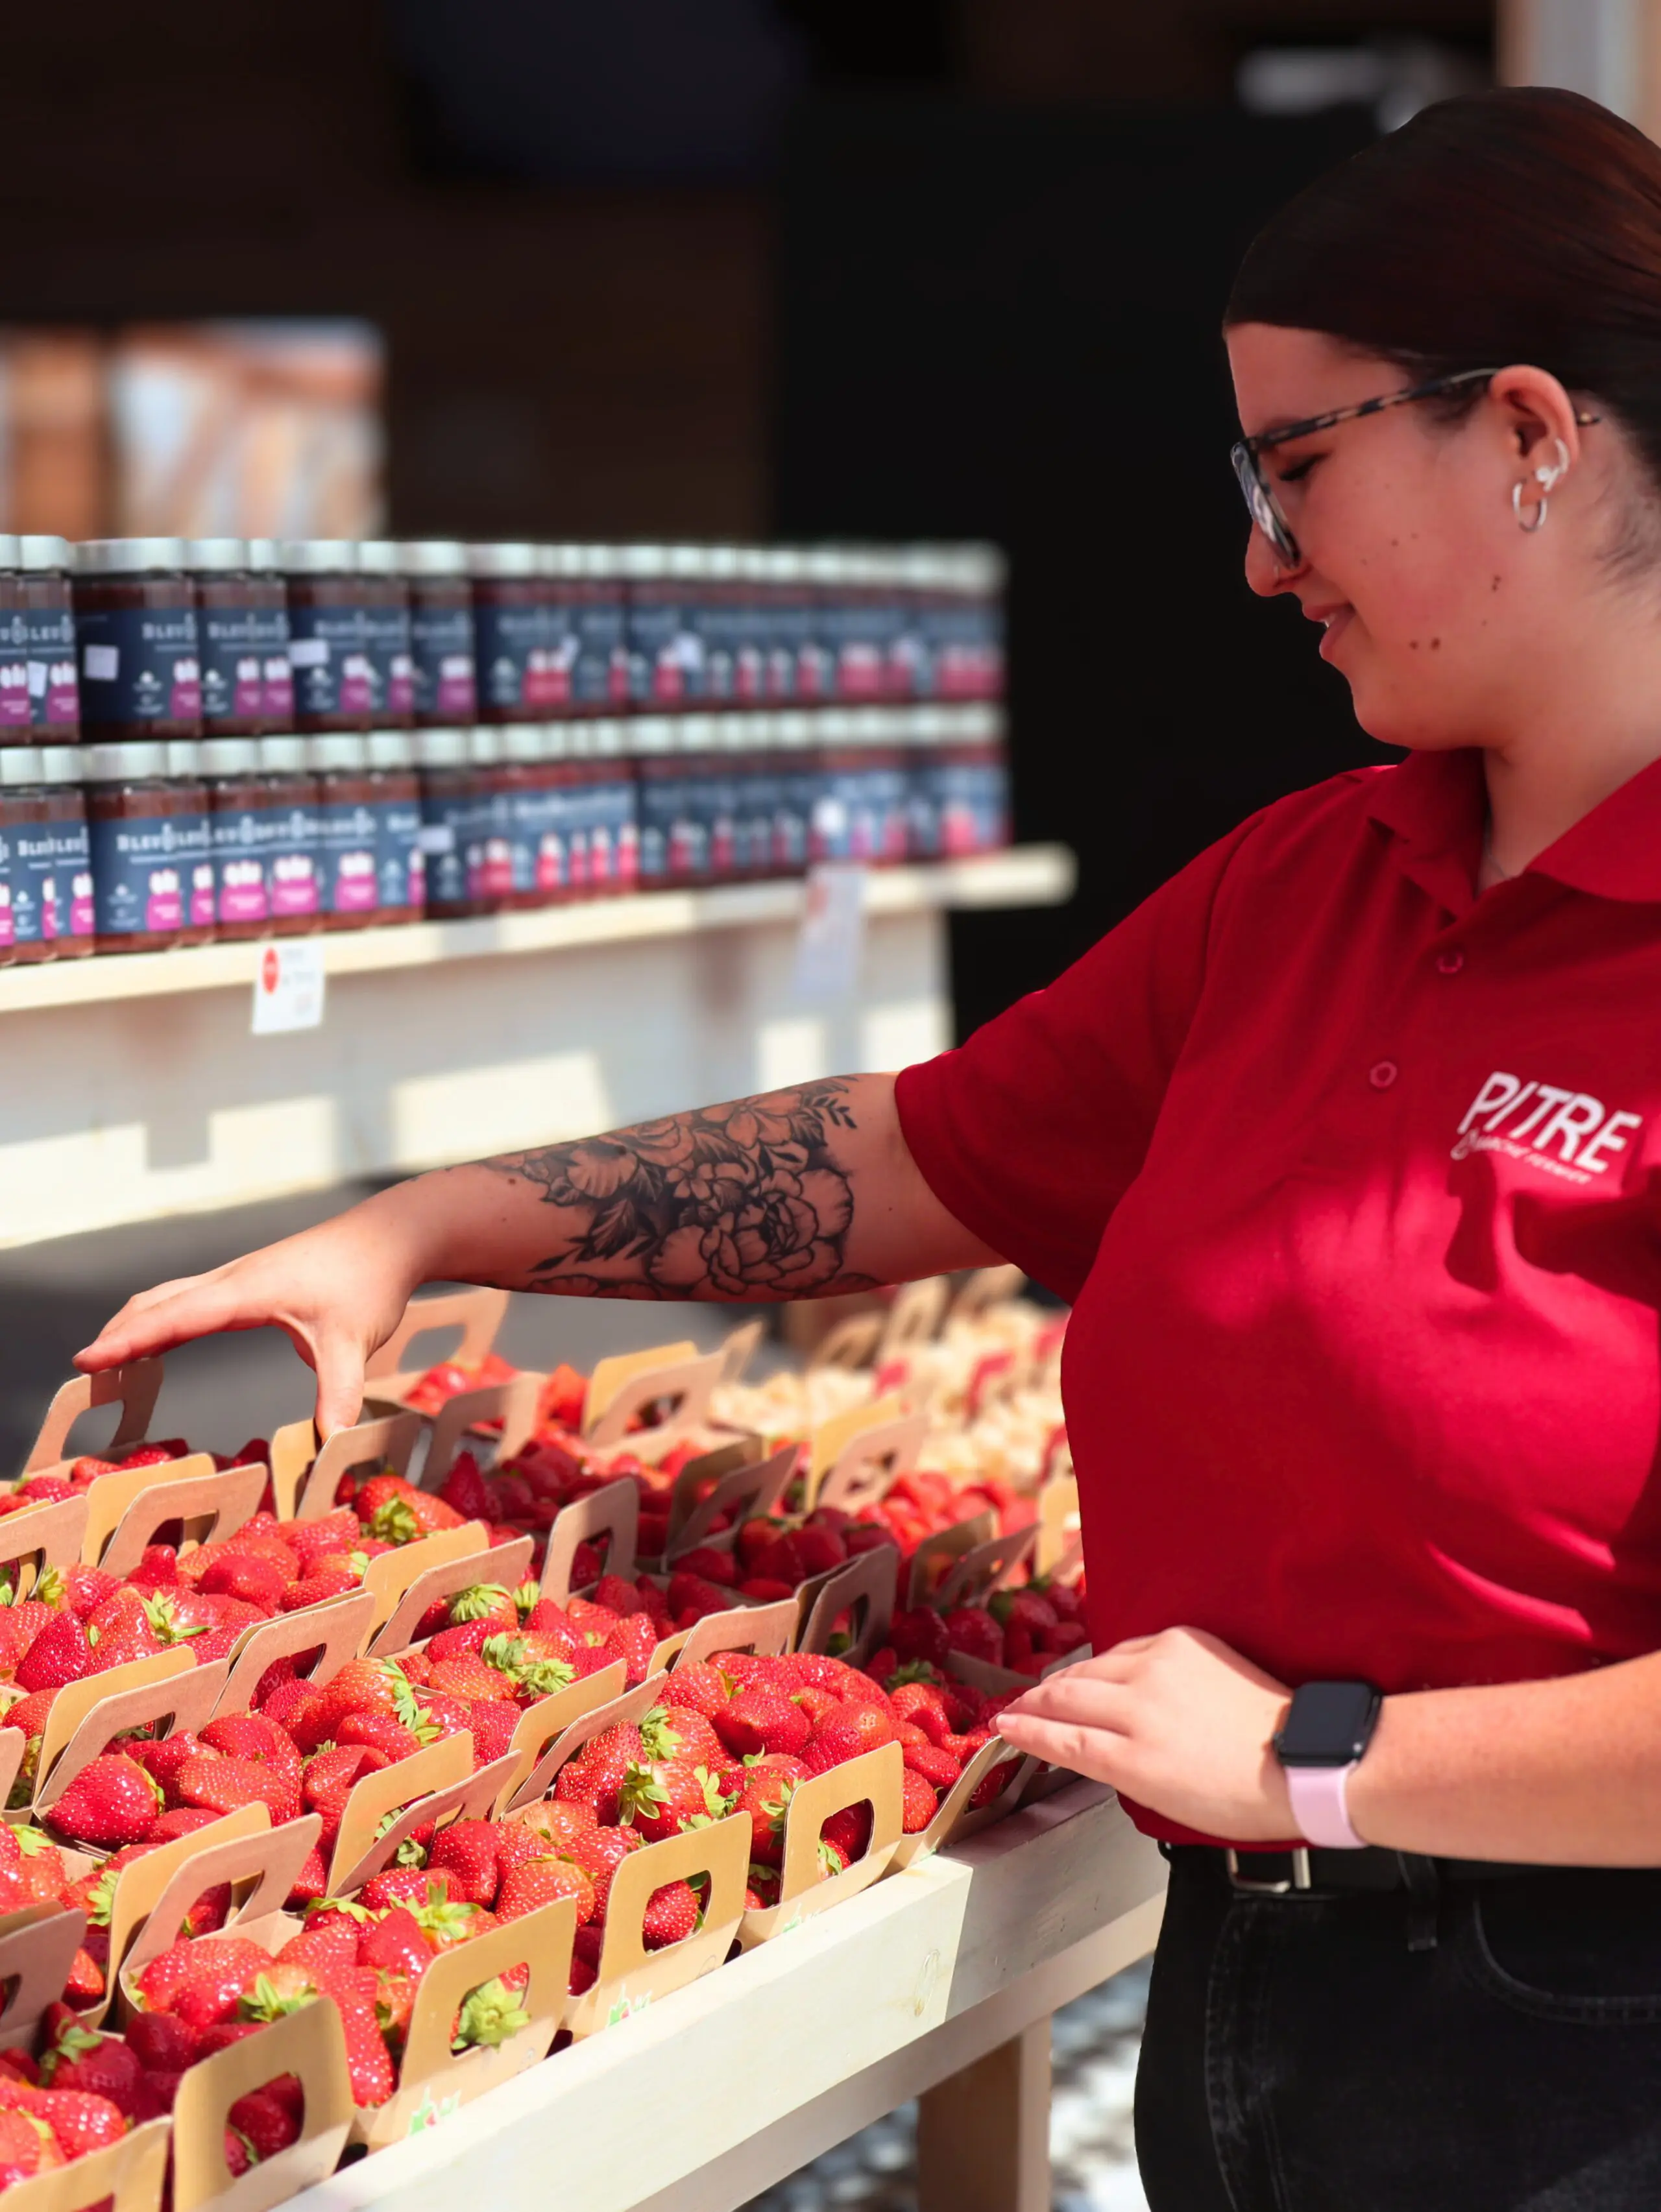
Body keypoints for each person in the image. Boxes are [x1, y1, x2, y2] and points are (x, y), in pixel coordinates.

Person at [77, 84, 1661, 2209]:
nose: (1260, 559)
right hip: (1271, 1990)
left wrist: (1327, 1763)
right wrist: (426, 1226)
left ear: (1535, 433)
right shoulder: (1312, 882)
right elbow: (917, 1156)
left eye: (1301, 468)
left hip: (1589, 2041)